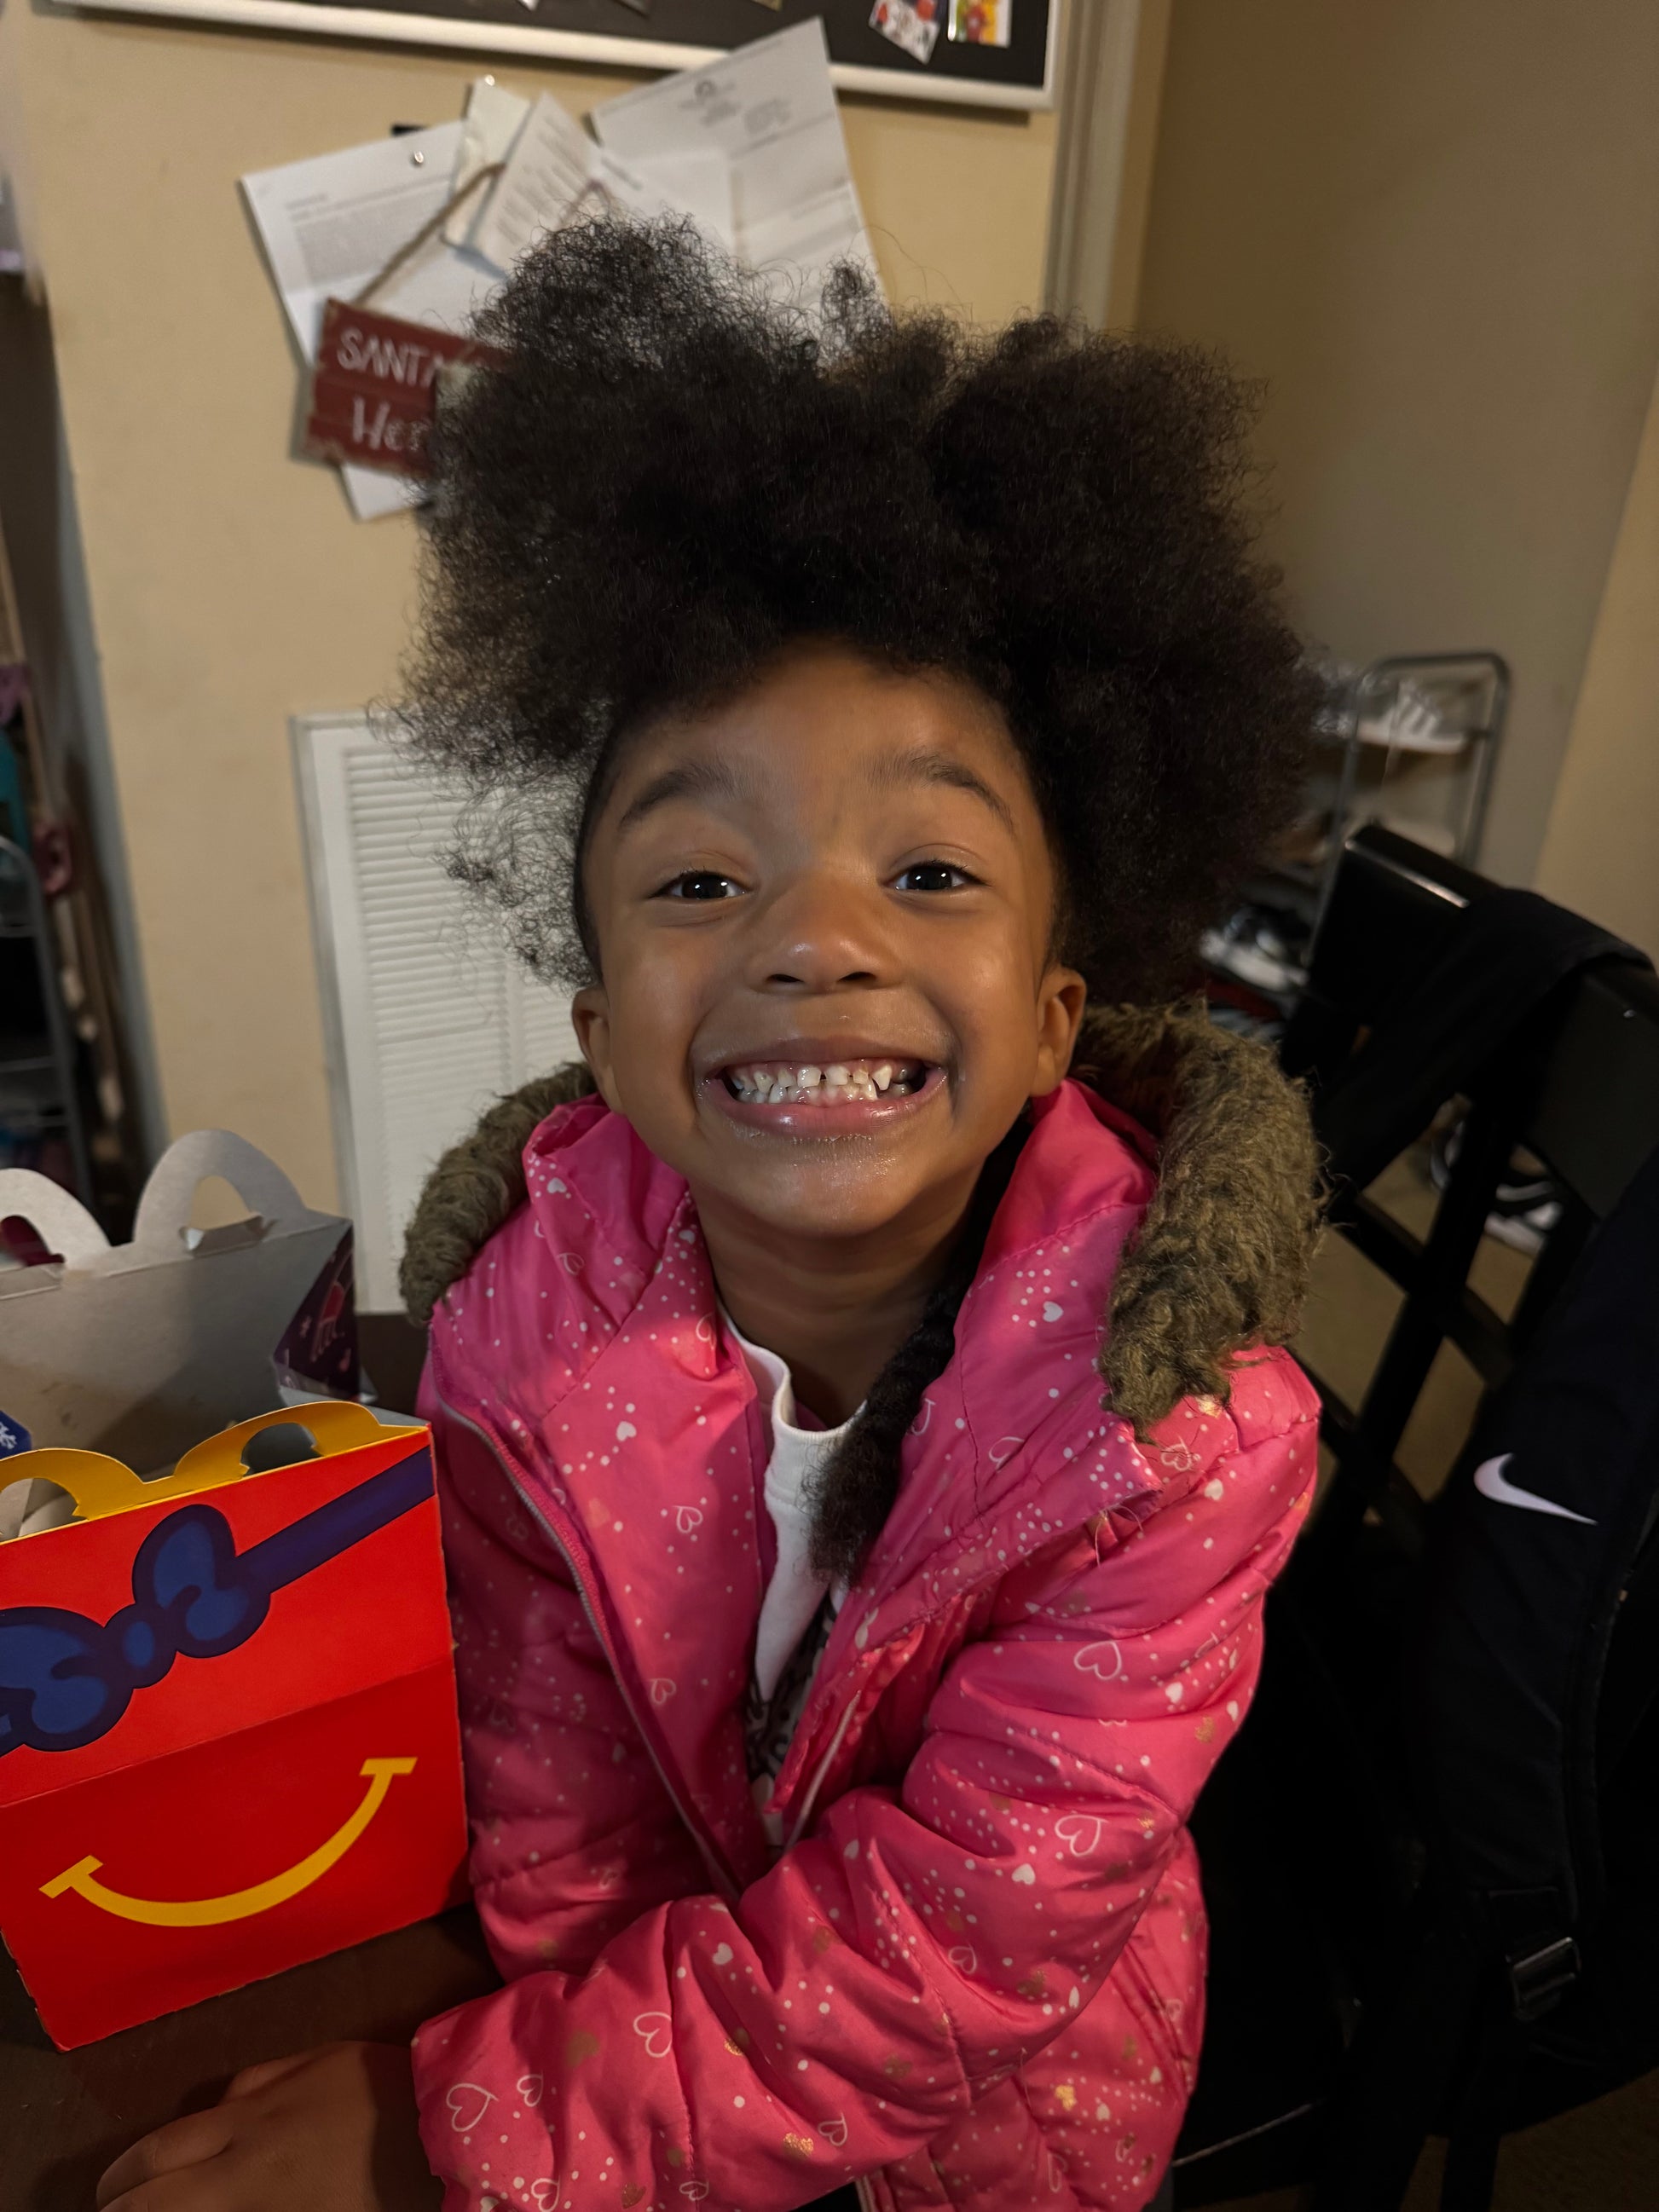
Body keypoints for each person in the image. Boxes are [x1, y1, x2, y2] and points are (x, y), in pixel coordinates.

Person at [100, 219, 1322, 2212]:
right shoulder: (520, 1320)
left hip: (996, 2133)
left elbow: (959, 1940)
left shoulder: (1177, 1436)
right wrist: (575, 2101)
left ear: (1053, 1022)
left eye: (929, 871)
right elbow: (550, 1781)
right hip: (634, 2060)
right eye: (697, 881)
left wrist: (467, 2125)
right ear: (602, 1038)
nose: (813, 938)